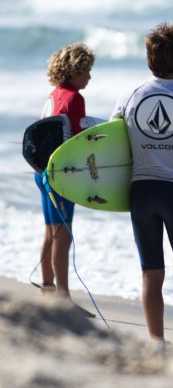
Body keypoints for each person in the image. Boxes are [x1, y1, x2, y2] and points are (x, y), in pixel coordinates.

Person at [111, 23, 173, 350]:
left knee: (151, 274)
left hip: (140, 194)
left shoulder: (130, 96)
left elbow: (112, 148)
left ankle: (155, 343)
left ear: (149, 59)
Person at [35, 43, 95, 297]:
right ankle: (63, 296)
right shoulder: (75, 98)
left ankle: (48, 289)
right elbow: (77, 140)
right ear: (74, 71)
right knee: (63, 235)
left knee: (51, 232)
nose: (89, 76)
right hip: (62, 174)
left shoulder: (55, 94)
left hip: (43, 171)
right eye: (86, 71)